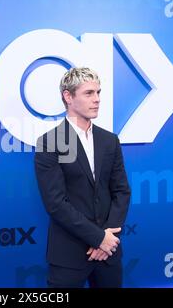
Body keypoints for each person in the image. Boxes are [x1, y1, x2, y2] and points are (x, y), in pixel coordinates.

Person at [34, 67, 131, 288]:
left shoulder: (109, 140)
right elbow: (56, 203)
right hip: (69, 255)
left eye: (98, 92)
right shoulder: (50, 142)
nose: (97, 99)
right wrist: (98, 238)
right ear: (68, 97)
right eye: (89, 93)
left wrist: (107, 238)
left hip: (108, 253)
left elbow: (121, 191)